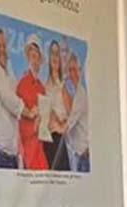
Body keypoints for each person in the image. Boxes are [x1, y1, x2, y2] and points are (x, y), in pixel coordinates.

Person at [0, 27, 27, 169]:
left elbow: (17, 91)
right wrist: (28, 112)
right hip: (1, 151)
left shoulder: (9, 70)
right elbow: (8, 98)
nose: (2, 49)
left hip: (13, 152)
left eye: (4, 45)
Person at [15, 35, 48, 171]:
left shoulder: (42, 88)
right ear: (28, 57)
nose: (34, 59)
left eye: (37, 55)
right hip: (27, 147)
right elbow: (17, 118)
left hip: (40, 147)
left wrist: (43, 120)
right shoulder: (22, 84)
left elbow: (44, 123)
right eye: (32, 54)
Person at [43, 40, 70, 171]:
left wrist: (62, 126)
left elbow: (72, 115)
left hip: (62, 141)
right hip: (48, 142)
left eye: (57, 53)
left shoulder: (63, 85)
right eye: (52, 53)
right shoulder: (45, 86)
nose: (54, 57)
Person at [63, 52, 90, 173]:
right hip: (80, 155)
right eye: (71, 70)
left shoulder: (81, 96)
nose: (74, 74)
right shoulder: (77, 93)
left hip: (84, 157)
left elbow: (68, 126)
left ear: (80, 70)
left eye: (76, 69)